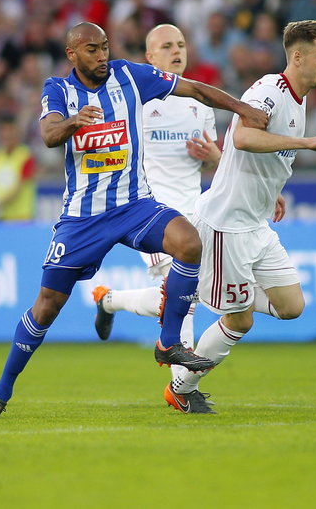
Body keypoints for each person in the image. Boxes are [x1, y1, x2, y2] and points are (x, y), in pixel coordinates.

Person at [0, 22, 269, 419]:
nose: (102, 56)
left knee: (189, 243)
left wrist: (242, 108)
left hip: (134, 205)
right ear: (72, 54)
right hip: (83, 217)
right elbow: (47, 134)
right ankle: (0, 393)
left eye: (105, 47)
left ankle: (167, 342)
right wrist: (75, 122)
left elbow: (195, 88)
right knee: (46, 306)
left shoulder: (131, 75)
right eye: (92, 50)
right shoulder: (58, 90)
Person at [164, 19, 316, 414]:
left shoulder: (299, 99)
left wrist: (274, 190)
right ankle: (181, 388)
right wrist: (306, 143)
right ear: (297, 57)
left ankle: (214, 289)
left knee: (292, 307)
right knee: (241, 321)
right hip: (227, 226)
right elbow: (243, 137)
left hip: (256, 224)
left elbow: (254, 153)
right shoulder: (270, 90)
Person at [90, 23, 221, 380]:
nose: (176, 51)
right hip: (151, 211)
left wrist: (213, 155)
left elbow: (213, 159)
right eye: (166, 46)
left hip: (195, 211)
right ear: (150, 57)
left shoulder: (199, 103)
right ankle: (182, 387)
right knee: (187, 303)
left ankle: (109, 299)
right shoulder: (137, 99)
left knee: (180, 297)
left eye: (180, 44)